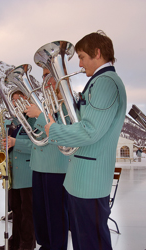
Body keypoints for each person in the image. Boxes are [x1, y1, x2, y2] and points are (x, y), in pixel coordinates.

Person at [44, 31, 127, 250]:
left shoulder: (106, 82)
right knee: (84, 241)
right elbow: (86, 122)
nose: (79, 64)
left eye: (81, 56)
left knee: (91, 242)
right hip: (82, 179)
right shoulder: (99, 82)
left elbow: (90, 131)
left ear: (97, 53)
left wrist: (54, 130)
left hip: (89, 182)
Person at [24, 67, 69, 250]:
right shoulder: (45, 103)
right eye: (43, 76)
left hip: (56, 167)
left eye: (48, 76)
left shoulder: (66, 102)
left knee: (56, 216)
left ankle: (57, 247)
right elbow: (37, 133)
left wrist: (40, 115)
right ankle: (46, 245)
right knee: (41, 214)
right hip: (39, 165)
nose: (44, 80)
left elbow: (62, 133)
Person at [0, 91, 36, 250]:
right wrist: (2, 147)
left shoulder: (34, 120)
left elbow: (39, 146)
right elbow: (5, 144)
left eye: (19, 98)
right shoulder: (11, 121)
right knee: (17, 211)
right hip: (12, 174)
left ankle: (26, 245)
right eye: (13, 100)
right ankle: (14, 243)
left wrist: (15, 142)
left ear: (27, 99)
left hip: (28, 174)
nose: (15, 102)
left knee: (28, 214)